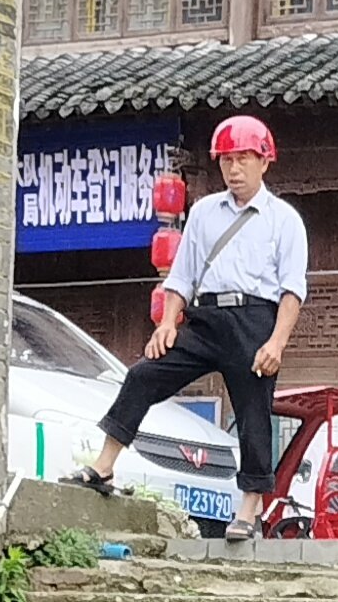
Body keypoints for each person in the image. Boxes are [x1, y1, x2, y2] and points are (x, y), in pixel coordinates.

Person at [68, 116, 308, 510]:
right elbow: (182, 276)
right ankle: (105, 464)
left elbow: (292, 290)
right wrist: (166, 323)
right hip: (205, 319)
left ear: (265, 161)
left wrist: (277, 342)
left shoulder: (285, 220)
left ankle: (250, 507)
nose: (234, 169)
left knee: (253, 413)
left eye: (244, 158)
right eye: (227, 160)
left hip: (254, 322)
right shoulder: (203, 212)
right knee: (143, 374)